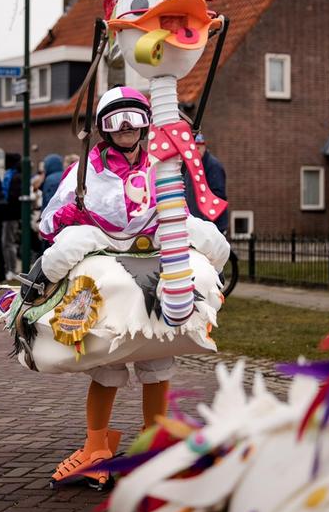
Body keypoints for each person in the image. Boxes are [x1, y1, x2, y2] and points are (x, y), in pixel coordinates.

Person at [39, 86, 229, 488]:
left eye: (134, 121)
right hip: (104, 247)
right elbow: (50, 219)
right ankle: (95, 447)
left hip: (155, 244)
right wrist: (72, 215)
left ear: (145, 124)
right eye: (116, 123)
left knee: (157, 360)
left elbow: (183, 205)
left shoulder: (160, 162)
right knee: (107, 363)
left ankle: (154, 444)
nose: (126, 130)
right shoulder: (86, 170)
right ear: (103, 130)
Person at [183, 133, 228, 234]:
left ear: (204, 147)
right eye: (193, 148)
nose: (195, 152)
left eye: (198, 148)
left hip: (212, 224)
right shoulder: (191, 165)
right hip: (198, 222)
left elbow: (217, 196)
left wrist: (206, 223)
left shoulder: (213, 166)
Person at [2, 153, 22, 280]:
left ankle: (11, 270)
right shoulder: (14, 175)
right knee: (7, 242)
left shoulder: (13, 176)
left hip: (10, 214)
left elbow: (10, 196)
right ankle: (9, 269)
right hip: (9, 213)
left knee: (8, 242)